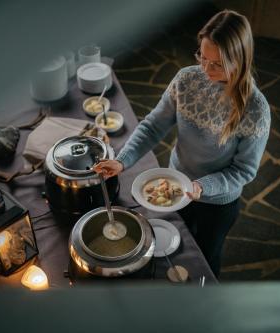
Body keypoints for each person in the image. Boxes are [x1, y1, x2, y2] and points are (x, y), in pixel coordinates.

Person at [93, 9, 270, 277]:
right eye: (202, 57)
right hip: (176, 186)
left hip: (219, 204)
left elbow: (243, 171)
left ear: (239, 60)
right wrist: (122, 160)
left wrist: (202, 186)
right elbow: (153, 125)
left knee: (206, 259)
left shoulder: (256, 110)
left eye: (217, 64)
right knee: (173, 247)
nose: (205, 69)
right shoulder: (186, 80)